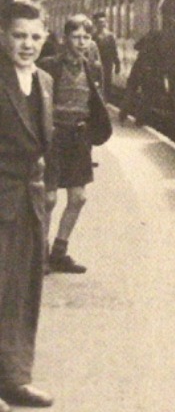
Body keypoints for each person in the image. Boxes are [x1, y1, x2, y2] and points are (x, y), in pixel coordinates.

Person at [0, 1, 54, 412]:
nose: (27, 44)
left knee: (23, 292)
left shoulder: (46, 82)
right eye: (20, 35)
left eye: (35, 37)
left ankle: (15, 379)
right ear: (4, 37)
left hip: (29, 202)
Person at [38, 14, 106, 274]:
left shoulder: (92, 68)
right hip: (54, 138)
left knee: (78, 198)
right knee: (49, 199)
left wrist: (92, 132)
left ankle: (59, 252)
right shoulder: (48, 66)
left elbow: (97, 102)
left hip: (79, 138)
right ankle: (40, 255)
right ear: (66, 38)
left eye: (86, 37)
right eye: (76, 37)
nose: (82, 42)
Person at [91, 11, 119, 104]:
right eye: (99, 23)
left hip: (108, 61)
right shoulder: (93, 36)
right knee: (98, 80)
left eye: (103, 22)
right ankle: (99, 98)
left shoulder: (110, 36)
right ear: (96, 24)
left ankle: (106, 99)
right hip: (97, 61)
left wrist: (117, 62)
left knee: (107, 80)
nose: (102, 24)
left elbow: (114, 49)